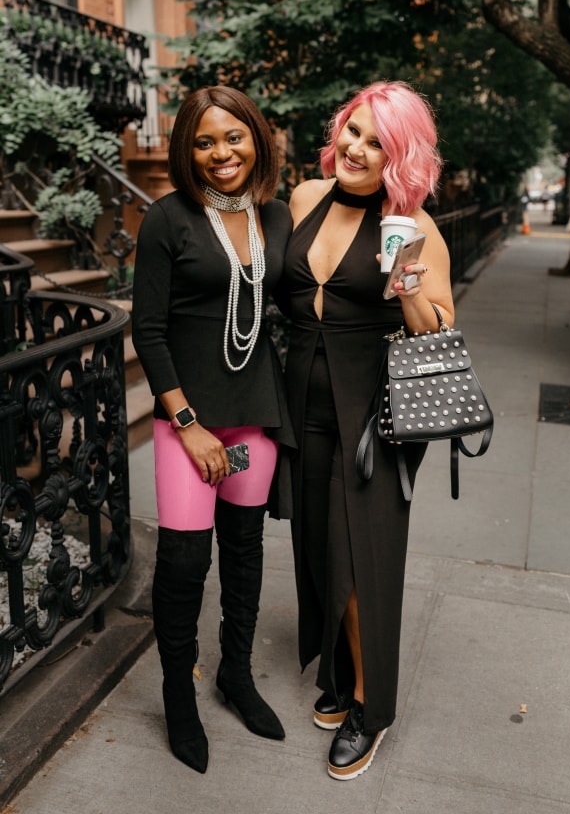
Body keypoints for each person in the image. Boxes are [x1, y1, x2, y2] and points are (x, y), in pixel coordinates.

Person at [283, 80, 454, 780]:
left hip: (373, 414)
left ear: (399, 156)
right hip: (305, 404)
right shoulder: (303, 198)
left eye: (376, 142)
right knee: (321, 549)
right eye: (351, 132)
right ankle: (339, 672)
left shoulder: (412, 224)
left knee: (362, 562)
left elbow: (438, 329)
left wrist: (406, 279)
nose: (356, 148)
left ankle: (368, 705)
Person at [131, 85, 295, 774]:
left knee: (246, 552)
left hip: (253, 409)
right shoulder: (168, 218)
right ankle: (178, 697)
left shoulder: (277, 217)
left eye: (234, 137)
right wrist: (189, 423)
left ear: (256, 139)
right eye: (204, 141)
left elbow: (304, 297)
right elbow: (149, 329)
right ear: (187, 151)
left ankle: (236, 674)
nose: (221, 152)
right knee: (184, 564)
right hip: (188, 422)